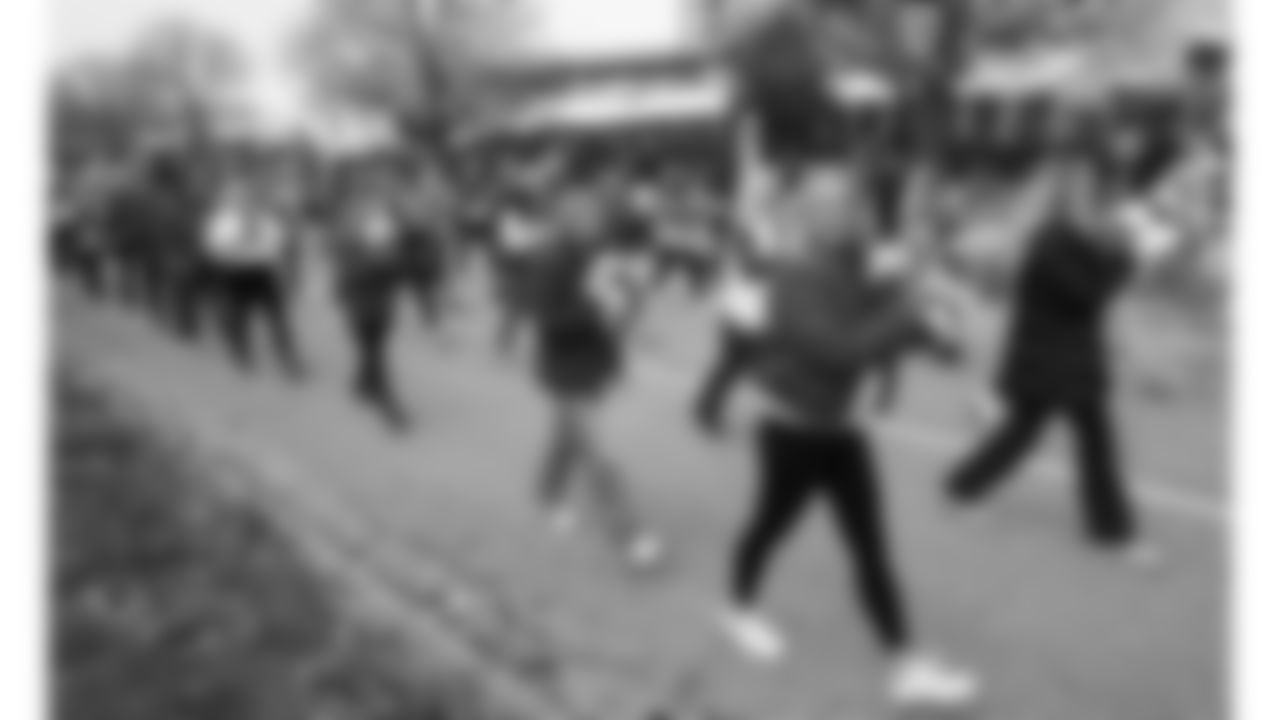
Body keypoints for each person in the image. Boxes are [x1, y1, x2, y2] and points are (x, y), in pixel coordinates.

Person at [718, 165, 981, 709]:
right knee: (769, 526)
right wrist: (910, 316)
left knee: (870, 545)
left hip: (840, 431)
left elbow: (879, 321)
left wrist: (938, 339)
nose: (847, 214)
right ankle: (738, 609)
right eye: (831, 205)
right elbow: (840, 349)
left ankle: (904, 663)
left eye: (852, 203)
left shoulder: (853, 264)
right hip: (791, 431)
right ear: (807, 214)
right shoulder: (794, 271)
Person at [945, 128, 1181, 561]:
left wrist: (1131, 251)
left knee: (1029, 434)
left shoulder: (1085, 232)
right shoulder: (1051, 238)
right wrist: (1132, 258)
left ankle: (963, 485)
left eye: (1102, 184)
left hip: (1069, 356)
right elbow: (1088, 295)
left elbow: (1101, 296)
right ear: (1070, 187)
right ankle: (1113, 533)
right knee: (1064, 438)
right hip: (1047, 358)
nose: (1103, 192)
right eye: (1093, 184)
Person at [525, 180, 662, 568]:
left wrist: (632, 293)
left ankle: (548, 492)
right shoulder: (549, 259)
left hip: (593, 363)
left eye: (596, 217)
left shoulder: (598, 254)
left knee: (566, 439)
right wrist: (598, 307)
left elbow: (619, 300)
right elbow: (550, 322)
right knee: (600, 454)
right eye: (586, 217)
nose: (595, 224)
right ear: (565, 220)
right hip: (565, 367)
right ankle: (631, 534)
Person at [200, 174, 307, 379]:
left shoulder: (264, 219)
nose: (244, 201)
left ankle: (290, 361)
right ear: (229, 199)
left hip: (262, 273)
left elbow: (277, 243)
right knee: (239, 317)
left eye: (246, 197)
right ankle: (242, 354)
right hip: (235, 274)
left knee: (278, 319)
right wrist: (243, 243)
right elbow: (215, 248)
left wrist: (268, 250)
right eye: (238, 197)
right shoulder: (222, 222)